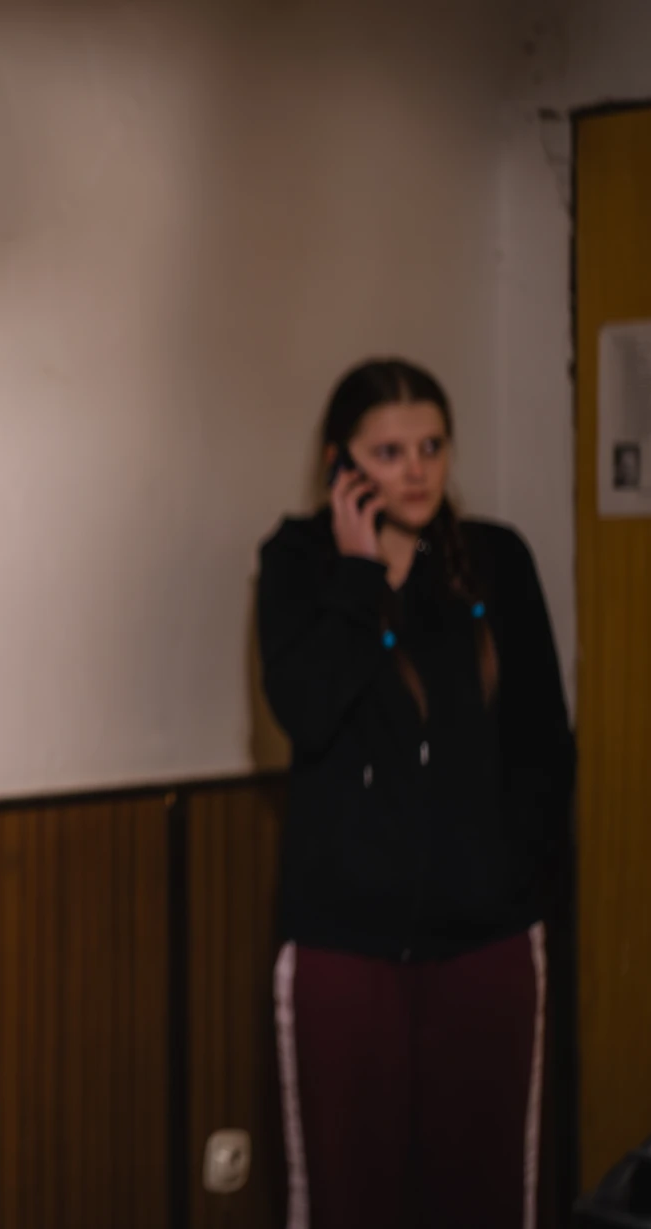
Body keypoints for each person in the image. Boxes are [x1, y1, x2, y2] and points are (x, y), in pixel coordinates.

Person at [257, 358, 572, 1229]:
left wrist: (516, 887)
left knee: (484, 1195)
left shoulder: (497, 559)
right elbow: (306, 711)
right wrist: (362, 574)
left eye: (432, 446)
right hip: (345, 946)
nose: (417, 470)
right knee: (349, 1197)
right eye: (389, 452)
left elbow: (544, 745)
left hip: (487, 943)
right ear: (341, 463)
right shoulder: (297, 562)